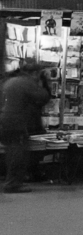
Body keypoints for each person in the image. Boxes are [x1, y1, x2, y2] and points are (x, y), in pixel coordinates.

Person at [2, 61, 51, 193]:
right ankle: (12, 184)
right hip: (15, 122)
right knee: (18, 153)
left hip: (5, 121)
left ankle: (11, 182)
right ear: (35, 73)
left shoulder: (10, 81)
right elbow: (44, 97)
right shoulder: (27, 83)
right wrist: (44, 82)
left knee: (11, 153)